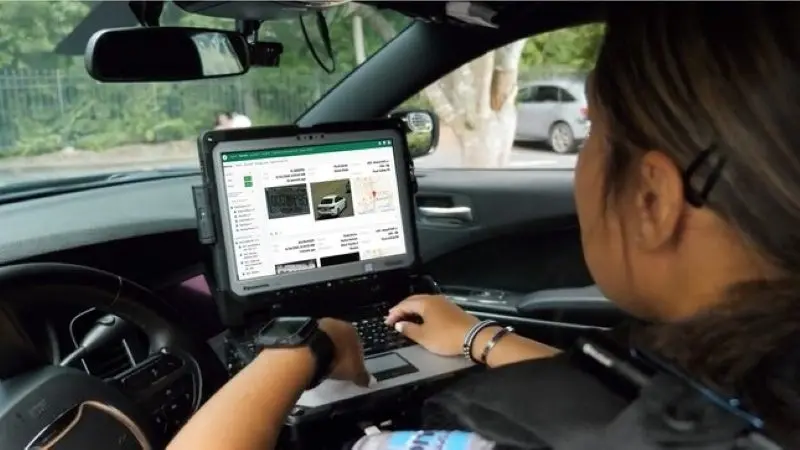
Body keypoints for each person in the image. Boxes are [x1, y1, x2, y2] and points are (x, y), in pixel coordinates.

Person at [169, 4, 800, 449]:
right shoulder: (747, 392)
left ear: (653, 199)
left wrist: (303, 352)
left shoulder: (508, 432)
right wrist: (478, 338)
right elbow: (619, 400)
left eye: (594, 136)